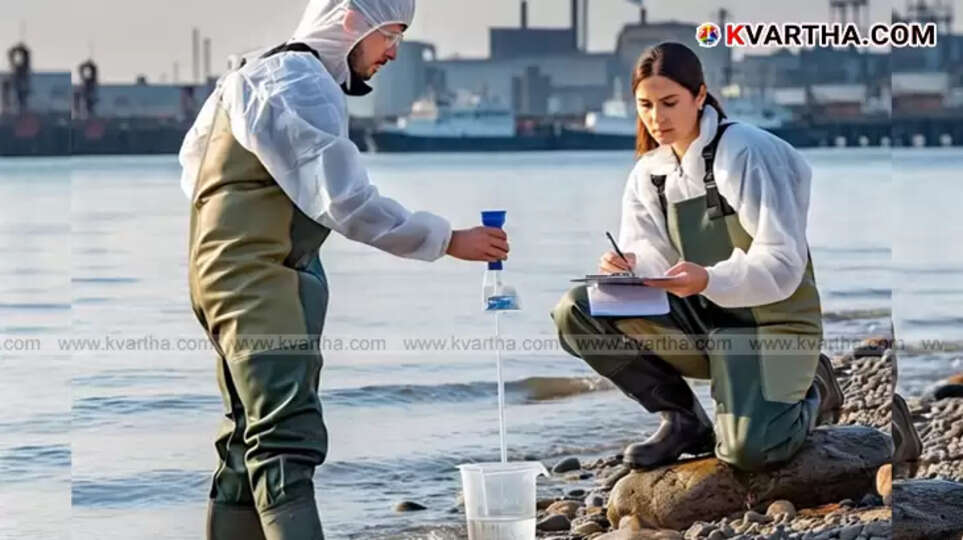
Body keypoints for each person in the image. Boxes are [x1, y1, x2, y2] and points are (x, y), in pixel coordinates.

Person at [178, 1, 509, 539]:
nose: (393, 53)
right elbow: (347, 201)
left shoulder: (248, 74)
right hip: (260, 283)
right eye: (390, 35)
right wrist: (448, 239)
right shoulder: (300, 82)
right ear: (351, 21)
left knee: (246, 440)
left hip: (225, 276)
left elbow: (194, 168)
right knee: (287, 441)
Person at [551, 42, 844, 473]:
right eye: (646, 105)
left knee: (749, 454)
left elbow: (783, 262)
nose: (657, 118)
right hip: (707, 322)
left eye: (670, 103)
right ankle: (683, 419)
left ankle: (816, 389)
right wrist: (630, 267)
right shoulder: (648, 172)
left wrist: (707, 279)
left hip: (771, 324)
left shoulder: (745, 151)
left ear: (700, 96)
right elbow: (656, 259)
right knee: (576, 310)